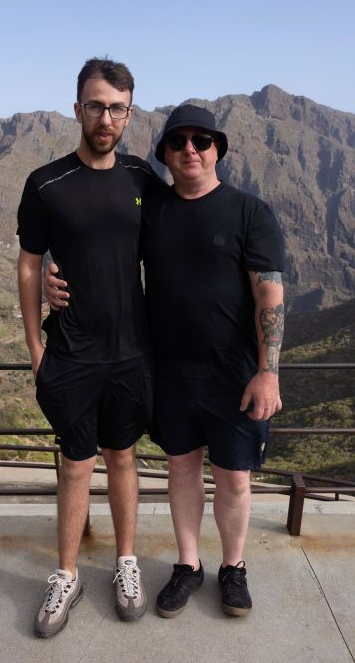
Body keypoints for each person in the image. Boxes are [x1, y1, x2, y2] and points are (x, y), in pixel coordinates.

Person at [45, 104, 285, 619]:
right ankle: (188, 565)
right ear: (165, 156)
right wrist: (52, 270)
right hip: (168, 367)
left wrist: (269, 372)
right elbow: (99, 236)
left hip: (235, 372)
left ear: (218, 147)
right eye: (178, 142)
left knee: (234, 478)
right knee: (181, 469)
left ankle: (234, 568)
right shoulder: (151, 205)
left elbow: (269, 295)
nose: (190, 150)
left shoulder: (250, 212)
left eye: (201, 140)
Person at [16, 57, 162, 637]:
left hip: (132, 350)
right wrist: (34, 345)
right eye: (97, 106)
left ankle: (126, 563)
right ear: (77, 109)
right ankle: (67, 574)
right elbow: (29, 266)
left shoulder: (141, 180)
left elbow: (171, 254)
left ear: (129, 113)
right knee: (75, 463)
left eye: (118, 108)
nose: (107, 117)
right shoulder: (45, 183)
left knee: (123, 456)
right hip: (72, 350)